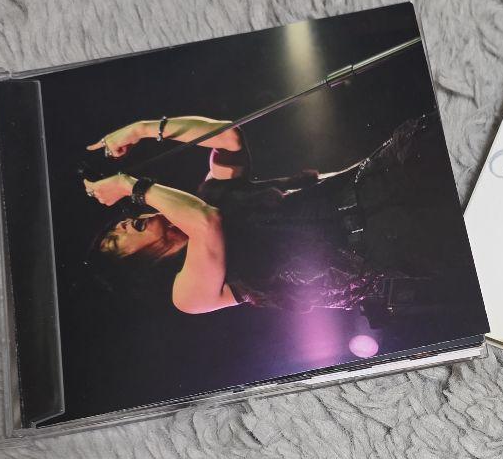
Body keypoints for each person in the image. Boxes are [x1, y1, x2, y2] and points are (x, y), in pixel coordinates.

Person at [84, 114, 458, 317]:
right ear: (134, 265)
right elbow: (205, 224)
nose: (121, 226)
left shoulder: (213, 193)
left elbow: (228, 138)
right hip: (385, 245)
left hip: (375, 181)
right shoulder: (187, 295)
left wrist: (142, 129)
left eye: (114, 226)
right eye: (115, 241)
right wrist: (129, 185)